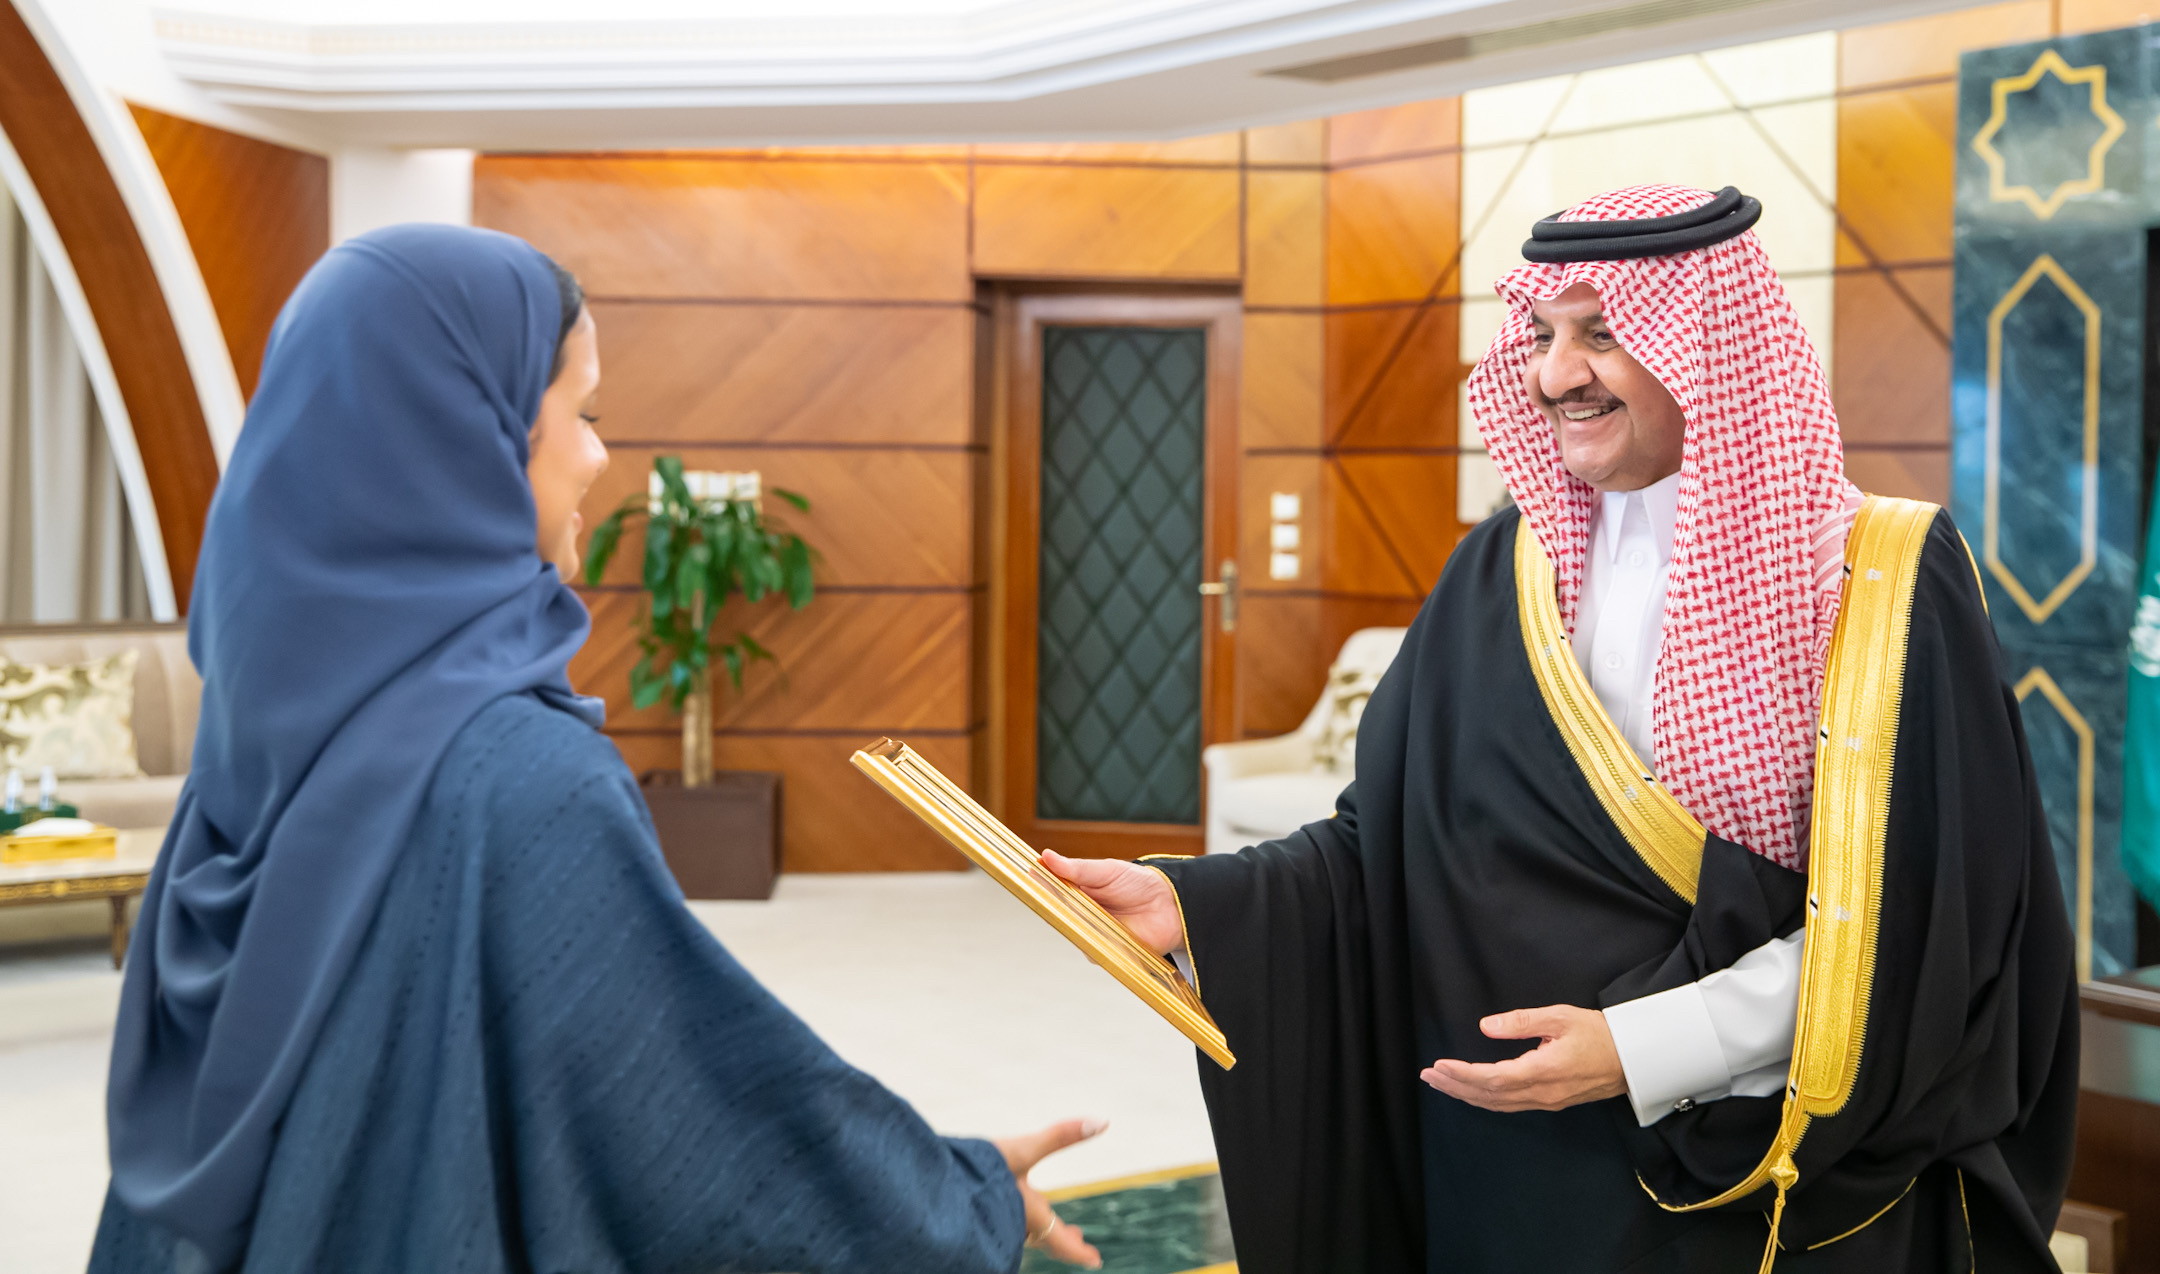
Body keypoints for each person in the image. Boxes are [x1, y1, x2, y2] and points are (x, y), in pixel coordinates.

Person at [1049, 185, 2078, 1271]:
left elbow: (1928, 926)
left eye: (1603, 334)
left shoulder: (1880, 584)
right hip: (1504, 1163)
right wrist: (1198, 901)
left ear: (1712, 346)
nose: (1553, 374)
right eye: (1542, 334)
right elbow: (1385, 838)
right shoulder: (1500, 571)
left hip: (1761, 1173)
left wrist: (1643, 1046)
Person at [89, 224, 1101, 1273]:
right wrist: (958, 1195)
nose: (599, 456)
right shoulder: (520, 781)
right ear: (463, 437)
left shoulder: (251, 745)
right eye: (582, 413)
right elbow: (688, 1136)